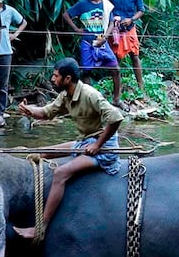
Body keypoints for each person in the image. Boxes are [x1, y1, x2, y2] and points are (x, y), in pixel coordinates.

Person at [13, 58, 125, 241]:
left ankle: (41, 228)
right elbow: (47, 112)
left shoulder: (90, 95)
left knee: (60, 173)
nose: (52, 79)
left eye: (56, 76)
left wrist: (97, 145)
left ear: (67, 78)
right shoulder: (66, 95)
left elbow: (116, 118)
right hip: (84, 141)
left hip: (104, 148)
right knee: (40, 153)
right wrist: (29, 110)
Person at [65, 0, 121, 105]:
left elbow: (112, 22)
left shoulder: (106, 5)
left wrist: (105, 37)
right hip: (87, 42)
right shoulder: (83, 5)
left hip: (102, 42)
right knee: (86, 71)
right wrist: (76, 29)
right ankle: (90, 101)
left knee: (116, 69)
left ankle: (117, 99)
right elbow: (66, 15)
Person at [105, 0, 146, 95]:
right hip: (115, 29)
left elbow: (141, 10)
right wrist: (113, 20)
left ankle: (141, 87)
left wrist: (131, 19)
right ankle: (117, 89)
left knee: (135, 56)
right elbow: (106, 9)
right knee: (115, 58)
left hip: (129, 28)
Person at [0, 0, 26, 128]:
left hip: (5, 51)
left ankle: (0, 114)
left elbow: (23, 22)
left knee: (3, 86)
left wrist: (15, 34)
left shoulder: (10, 11)